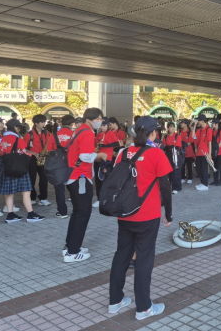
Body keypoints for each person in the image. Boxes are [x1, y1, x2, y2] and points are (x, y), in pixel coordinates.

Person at [108, 116, 173, 321]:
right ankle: (144, 307)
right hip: (148, 214)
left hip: (124, 213)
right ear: (154, 133)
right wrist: (169, 213)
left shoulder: (123, 153)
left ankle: (115, 301)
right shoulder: (157, 154)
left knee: (122, 255)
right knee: (144, 259)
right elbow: (165, 187)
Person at [64, 108, 108, 262]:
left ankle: (70, 246)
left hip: (73, 176)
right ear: (90, 119)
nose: (100, 121)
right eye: (99, 118)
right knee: (83, 213)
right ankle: (73, 253)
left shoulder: (79, 130)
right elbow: (85, 156)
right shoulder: (88, 132)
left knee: (77, 213)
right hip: (81, 177)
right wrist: (101, 155)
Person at [0, 119, 45, 224]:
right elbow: (24, 151)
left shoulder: (3, 138)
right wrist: (31, 155)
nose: (19, 129)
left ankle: (10, 215)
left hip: (7, 167)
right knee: (26, 191)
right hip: (19, 167)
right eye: (19, 127)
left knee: (10, 192)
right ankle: (30, 214)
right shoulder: (17, 139)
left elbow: (2, 152)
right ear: (15, 128)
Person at [46, 114, 76, 218]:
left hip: (58, 165)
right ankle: (77, 211)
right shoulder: (74, 134)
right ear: (72, 124)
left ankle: (62, 212)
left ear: (61, 123)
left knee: (59, 189)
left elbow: (49, 150)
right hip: (71, 164)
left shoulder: (54, 135)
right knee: (73, 189)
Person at [24, 114, 50, 206]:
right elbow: (23, 149)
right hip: (32, 159)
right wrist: (34, 153)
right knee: (32, 178)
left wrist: (47, 152)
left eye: (44, 122)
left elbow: (49, 144)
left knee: (44, 179)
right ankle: (32, 197)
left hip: (43, 158)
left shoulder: (46, 133)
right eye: (42, 122)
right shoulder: (29, 135)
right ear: (36, 123)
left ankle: (43, 198)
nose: (44, 124)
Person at [93, 118, 119, 208]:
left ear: (107, 125)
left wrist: (104, 145)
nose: (102, 127)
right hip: (98, 158)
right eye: (101, 125)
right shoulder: (98, 134)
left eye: (104, 125)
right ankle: (100, 198)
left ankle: (105, 199)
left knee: (104, 180)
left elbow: (116, 143)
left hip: (106, 160)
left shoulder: (110, 133)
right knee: (98, 179)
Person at [192, 115, 212, 191]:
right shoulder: (200, 130)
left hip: (205, 153)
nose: (198, 122)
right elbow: (194, 137)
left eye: (199, 121)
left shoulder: (208, 129)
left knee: (204, 169)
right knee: (198, 168)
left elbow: (209, 142)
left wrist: (209, 154)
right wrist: (194, 127)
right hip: (199, 152)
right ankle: (202, 182)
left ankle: (205, 184)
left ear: (202, 121)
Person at [162, 121, 182, 194]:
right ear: (168, 128)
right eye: (170, 127)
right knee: (168, 171)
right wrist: (168, 147)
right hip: (168, 154)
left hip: (175, 154)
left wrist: (169, 147)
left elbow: (177, 146)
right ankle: (168, 186)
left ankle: (176, 187)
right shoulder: (165, 137)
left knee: (176, 171)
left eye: (173, 127)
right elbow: (164, 147)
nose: (172, 128)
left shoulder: (177, 136)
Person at [210, 118, 221, 186]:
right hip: (214, 152)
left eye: (213, 123)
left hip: (220, 152)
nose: (212, 124)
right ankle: (215, 180)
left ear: (217, 124)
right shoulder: (212, 131)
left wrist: (216, 149)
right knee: (215, 167)